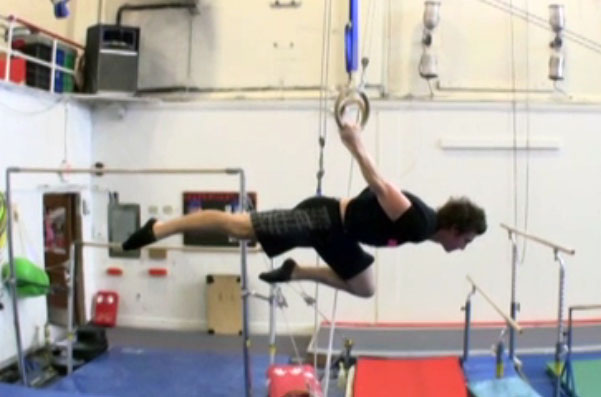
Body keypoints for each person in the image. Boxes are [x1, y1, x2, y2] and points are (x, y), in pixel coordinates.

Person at [122, 122, 486, 298]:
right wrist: (356, 144)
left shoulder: (426, 230)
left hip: (340, 235)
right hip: (322, 219)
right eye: (466, 241)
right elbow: (379, 185)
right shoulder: (422, 222)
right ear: (455, 229)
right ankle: (160, 228)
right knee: (239, 227)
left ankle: (296, 271)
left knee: (365, 287)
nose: (463, 247)